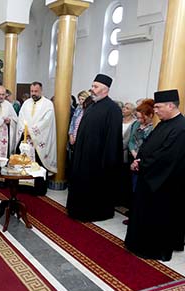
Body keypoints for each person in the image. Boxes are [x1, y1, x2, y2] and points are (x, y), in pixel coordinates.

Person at [125, 89, 185, 262]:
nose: (155, 111)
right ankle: (137, 243)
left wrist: (142, 164)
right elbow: (149, 145)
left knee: (158, 218)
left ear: (170, 105)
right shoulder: (164, 123)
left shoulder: (181, 127)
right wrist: (139, 160)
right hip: (149, 175)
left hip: (164, 184)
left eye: (158, 107)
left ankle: (152, 249)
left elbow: (167, 157)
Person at [66, 74, 123, 222]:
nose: (92, 90)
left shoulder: (113, 109)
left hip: (97, 160)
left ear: (105, 90)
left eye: (95, 87)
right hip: (82, 154)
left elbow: (113, 139)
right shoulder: (91, 104)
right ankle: (76, 210)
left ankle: (92, 212)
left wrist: (107, 162)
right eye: (92, 86)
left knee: (93, 188)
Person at [16, 81, 57, 195]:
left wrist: (32, 132)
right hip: (25, 139)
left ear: (41, 91)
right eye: (32, 91)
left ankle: (38, 189)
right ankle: (24, 187)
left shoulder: (48, 104)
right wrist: (25, 131)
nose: (33, 93)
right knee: (24, 162)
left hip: (38, 140)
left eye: (36, 91)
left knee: (38, 165)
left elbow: (47, 121)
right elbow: (21, 118)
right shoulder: (26, 103)